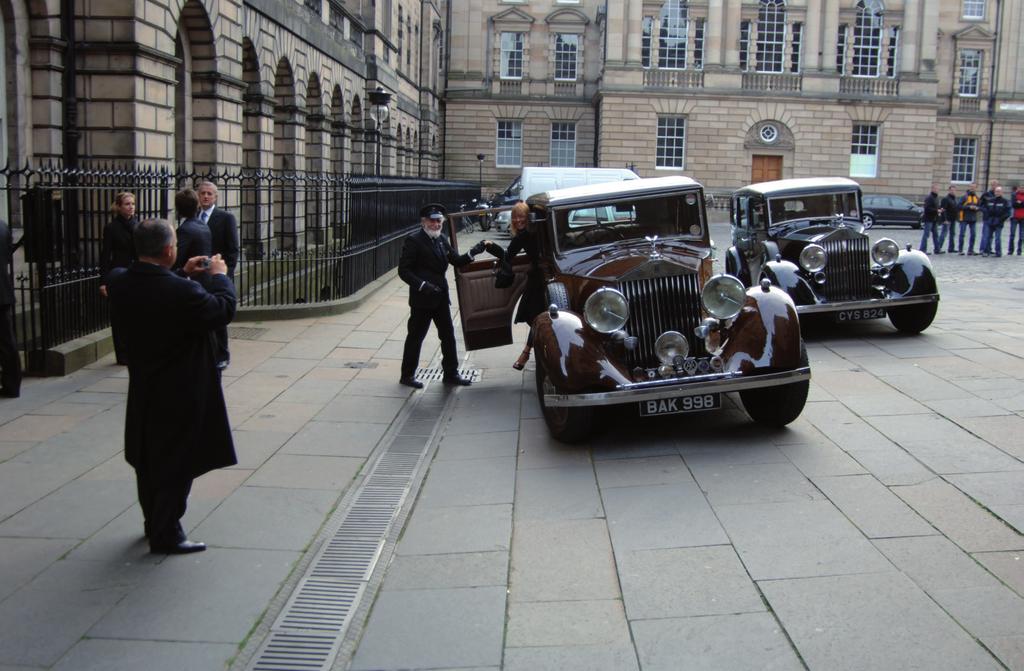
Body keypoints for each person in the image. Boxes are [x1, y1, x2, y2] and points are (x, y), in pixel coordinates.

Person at [107, 218, 237, 554]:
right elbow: (221, 309)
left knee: (147, 458)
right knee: (177, 462)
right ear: (168, 249)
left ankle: (153, 523)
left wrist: (182, 271)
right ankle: (167, 533)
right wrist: (220, 275)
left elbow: (152, 286)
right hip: (181, 388)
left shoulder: (121, 282)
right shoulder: (183, 293)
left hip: (144, 386)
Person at [398, 203, 486, 389]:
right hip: (422, 300)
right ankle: (407, 376)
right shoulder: (414, 240)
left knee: (448, 336)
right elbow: (404, 271)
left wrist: (474, 251)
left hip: (440, 298)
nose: (436, 224)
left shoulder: (441, 239)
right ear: (424, 222)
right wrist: (423, 285)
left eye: (439, 221)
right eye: (432, 221)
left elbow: (457, 260)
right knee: (415, 337)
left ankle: (451, 374)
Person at [479, 202, 544, 370]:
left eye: (521, 216)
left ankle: (528, 352)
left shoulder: (525, 234)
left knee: (536, 317)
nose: (517, 219)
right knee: (538, 317)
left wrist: (491, 246)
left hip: (541, 280)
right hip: (541, 276)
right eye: (515, 216)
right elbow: (510, 255)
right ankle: (533, 351)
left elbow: (507, 255)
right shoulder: (534, 231)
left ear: (528, 217)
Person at [196, 181, 238, 368]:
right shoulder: (194, 217)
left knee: (219, 316)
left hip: (217, 275)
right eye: (203, 193)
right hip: (199, 276)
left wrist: (224, 275)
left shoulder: (226, 218)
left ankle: (222, 354)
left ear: (215, 197)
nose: (205, 196)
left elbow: (232, 249)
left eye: (209, 194)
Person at [99, 192, 138, 364]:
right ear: (118, 206)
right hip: (118, 273)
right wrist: (103, 281)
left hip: (135, 272)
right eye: (127, 204)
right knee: (118, 314)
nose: (131, 207)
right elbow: (105, 255)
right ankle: (121, 354)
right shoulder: (111, 228)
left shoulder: (138, 225)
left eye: (133, 204)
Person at [0, 219, 21, 398]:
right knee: (7, 342)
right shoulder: (3, 226)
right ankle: (12, 385)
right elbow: (7, 256)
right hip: (3, 291)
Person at [173, 188, 211, 271]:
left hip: (191, 277)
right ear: (197, 205)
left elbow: (177, 259)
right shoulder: (204, 226)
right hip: (205, 275)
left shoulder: (185, 230)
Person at [980, 185, 1011, 257]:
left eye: (999, 191)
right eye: (996, 191)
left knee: (997, 238)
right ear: (994, 192)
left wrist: (1000, 219)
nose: (997, 193)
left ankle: (998, 252)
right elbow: (985, 209)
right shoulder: (990, 200)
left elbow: (1008, 213)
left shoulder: (1005, 201)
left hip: (999, 222)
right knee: (988, 237)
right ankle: (986, 251)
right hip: (990, 221)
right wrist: (987, 217)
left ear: (1001, 192)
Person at [957, 183, 981, 255]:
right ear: (969, 187)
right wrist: (969, 207)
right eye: (971, 187)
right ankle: (960, 250)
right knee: (962, 234)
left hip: (973, 218)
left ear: (976, 188)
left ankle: (970, 250)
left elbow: (980, 207)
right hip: (964, 218)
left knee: (973, 234)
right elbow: (959, 206)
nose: (972, 188)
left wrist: (977, 208)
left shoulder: (977, 198)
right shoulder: (964, 197)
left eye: (974, 187)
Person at [920, 184, 942, 254]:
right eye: (936, 189)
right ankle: (923, 249)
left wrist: (939, 209)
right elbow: (927, 209)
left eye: (938, 189)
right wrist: (936, 210)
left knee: (936, 235)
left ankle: (937, 249)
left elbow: (936, 207)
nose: (937, 190)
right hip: (929, 219)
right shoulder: (929, 198)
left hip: (934, 219)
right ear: (932, 189)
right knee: (926, 235)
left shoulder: (936, 198)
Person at [939, 185, 959, 254]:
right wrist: (945, 219)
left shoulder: (955, 199)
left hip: (953, 219)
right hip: (947, 219)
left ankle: (951, 248)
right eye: (952, 190)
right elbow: (943, 210)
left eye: (954, 190)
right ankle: (939, 247)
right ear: (949, 190)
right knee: (944, 234)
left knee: (952, 234)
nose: (953, 191)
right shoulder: (945, 199)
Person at [1009, 185, 1024, 255]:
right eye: (1021, 188)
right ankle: (1010, 250)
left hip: (1023, 218)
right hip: (1014, 217)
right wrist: (1021, 203)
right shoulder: (1014, 195)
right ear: (1018, 188)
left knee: (1022, 236)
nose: (1022, 189)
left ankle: (1019, 250)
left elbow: (1019, 204)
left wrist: (1020, 203)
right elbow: (1013, 204)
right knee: (1012, 234)